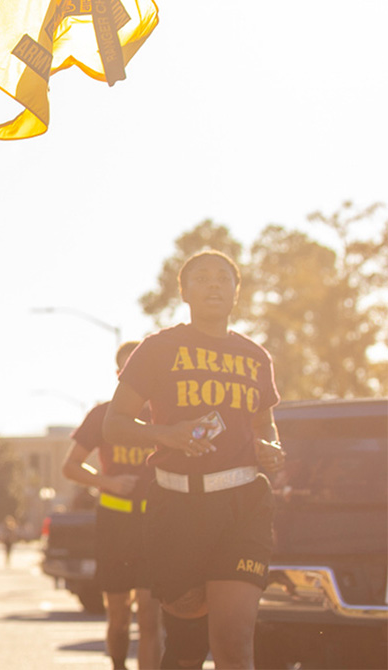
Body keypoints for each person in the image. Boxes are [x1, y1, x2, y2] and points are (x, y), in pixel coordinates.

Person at [104, 250, 284, 670]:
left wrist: (269, 448)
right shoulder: (157, 348)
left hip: (244, 505)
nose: (214, 284)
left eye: (224, 278)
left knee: (235, 642)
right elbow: (114, 424)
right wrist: (164, 434)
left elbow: (266, 425)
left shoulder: (256, 357)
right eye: (201, 278)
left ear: (237, 292)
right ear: (184, 291)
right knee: (185, 647)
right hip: (177, 506)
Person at [62, 340, 162, 670]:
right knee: (118, 616)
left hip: (153, 525)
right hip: (114, 525)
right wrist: (109, 483)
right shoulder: (103, 415)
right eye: (126, 369)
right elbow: (70, 466)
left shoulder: (165, 416)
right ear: (119, 374)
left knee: (149, 616)